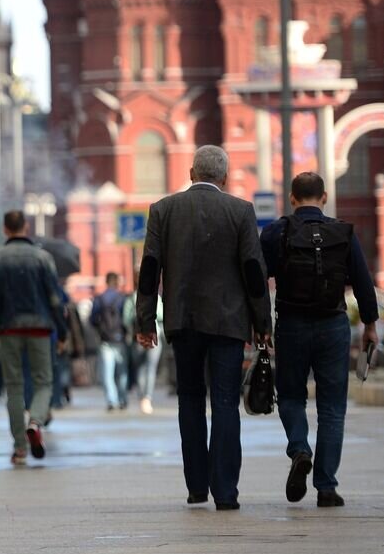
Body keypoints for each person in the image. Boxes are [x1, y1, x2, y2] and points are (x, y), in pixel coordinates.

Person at [136, 145, 271, 511]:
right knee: (225, 402)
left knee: (190, 400)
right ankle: (225, 492)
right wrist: (263, 323)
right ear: (224, 178)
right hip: (229, 323)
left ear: (192, 172)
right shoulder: (240, 211)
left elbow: (150, 268)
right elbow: (254, 272)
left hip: (183, 321)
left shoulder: (163, 210)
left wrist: (145, 320)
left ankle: (197, 486)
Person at [260, 172, 379, 507]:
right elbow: (363, 282)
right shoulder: (343, 232)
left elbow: (256, 279)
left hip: (292, 325)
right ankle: (326, 486)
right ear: (324, 197)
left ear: (292, 198)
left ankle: (300, 449)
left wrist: (259, 325)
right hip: (333, 326)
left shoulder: (276, 232)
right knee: (331, 408)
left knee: (291, 397)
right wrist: (370, 325)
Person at [0, 211, 68, 465]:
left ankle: (19, 449)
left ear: (5, 229)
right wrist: (61, 331)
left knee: (14, 387)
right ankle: (36, 421)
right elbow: (54, 298)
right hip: (41, 327)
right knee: (43, 382)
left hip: (8, 328)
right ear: (26, 227)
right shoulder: (43, 258)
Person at [124, 269, 164, 415]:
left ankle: (142, 397)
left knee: (140, 368)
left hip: (137, 336)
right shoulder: (156, 298)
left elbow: (126, 318)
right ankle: (147, 398)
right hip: (155, 334)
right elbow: (161, 315)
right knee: (151, 367)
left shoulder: (131, 298)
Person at [91, 272, 129, 412]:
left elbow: (93, 319)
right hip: (120, 339)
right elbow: (128, 317)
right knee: (122, 372)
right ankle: (123, 398)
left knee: (107, 373)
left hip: (105, 340)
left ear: (106, 282)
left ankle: (111, 400)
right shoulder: (122, 298)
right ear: (117, 282)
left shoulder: (99, 299)